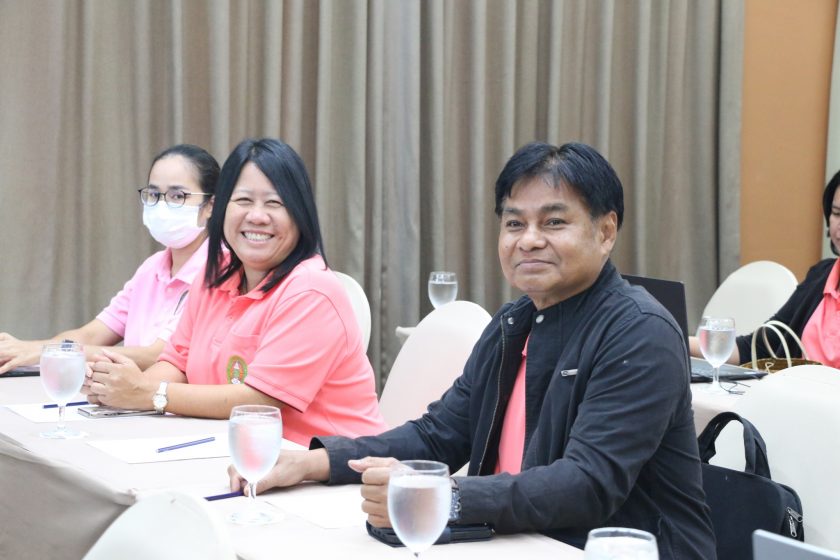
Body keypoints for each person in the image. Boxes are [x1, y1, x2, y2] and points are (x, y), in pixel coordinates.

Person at [229, 142, 717, 559]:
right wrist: (313, 464)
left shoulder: (639, 331)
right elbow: (439, 435)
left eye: (553, 222)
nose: (529, 241)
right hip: (517, 543)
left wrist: (445, 495)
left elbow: (586, 484)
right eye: (514, 224)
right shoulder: (514, 323)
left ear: (606, 232)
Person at [84, 138, 387, 445]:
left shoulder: (311, 290)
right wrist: (122, 393)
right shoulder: (213, 275)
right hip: (233, 452)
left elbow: (259, 400)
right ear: (221, 209)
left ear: (300, 214)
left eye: (275, 203)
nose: (257, 216)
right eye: (243, 200)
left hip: (327, 464)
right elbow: (176, 363)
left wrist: (146, 393)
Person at [0, 144, 218, 373]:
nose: (162, 205)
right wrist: (21, 351)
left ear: (210, 206)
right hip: (129, 393)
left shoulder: (220, 271)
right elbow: (92, 334)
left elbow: (160, 355)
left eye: (177, 196)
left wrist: (46, 351)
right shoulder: (152, 267)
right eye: (154, 194)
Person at [689, 171, 840, 368]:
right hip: (795, 387)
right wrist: (673, 338)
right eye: (837, 213)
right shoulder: (821, 277)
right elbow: (756, 349)